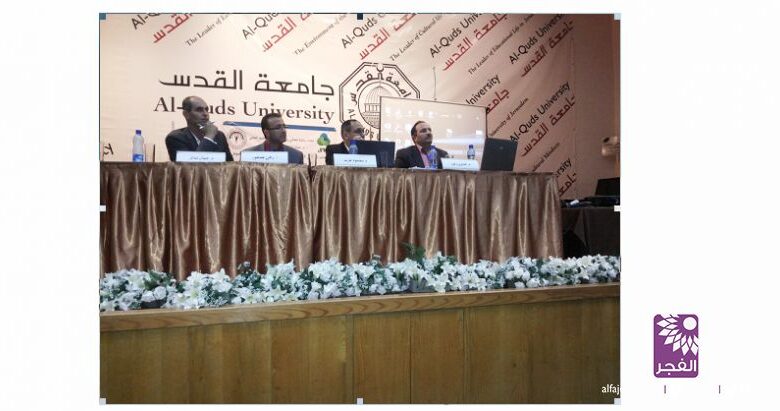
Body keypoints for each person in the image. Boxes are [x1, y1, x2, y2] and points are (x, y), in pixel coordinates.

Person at [165, 96, 234, 161]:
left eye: (206, 110)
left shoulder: (219, 136)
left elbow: (230, 165)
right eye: (199, 110)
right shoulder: (176, 138)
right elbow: (189, 166)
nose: (205, 114)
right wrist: (209, 137)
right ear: (186, 114)